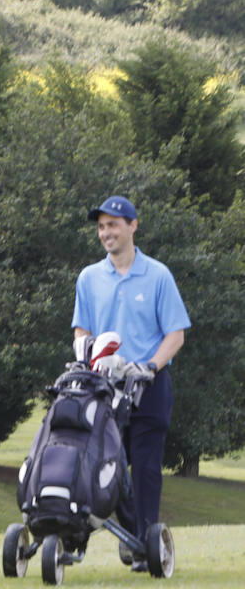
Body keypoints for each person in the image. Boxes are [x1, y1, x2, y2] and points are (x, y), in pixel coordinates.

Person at [73, 196, 190, 569]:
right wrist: (85, 360)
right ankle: (133, 535)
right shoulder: (89, 277)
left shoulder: (157, 275)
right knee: (103, 464)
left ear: (133, 226)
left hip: (149, 386)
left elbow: (175, 334)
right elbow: (82, 330)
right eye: (102, 226)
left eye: (114, 225)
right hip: (104, 387)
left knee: (144, 467)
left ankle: (144, 546)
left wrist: (151, 367)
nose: (106, 232)